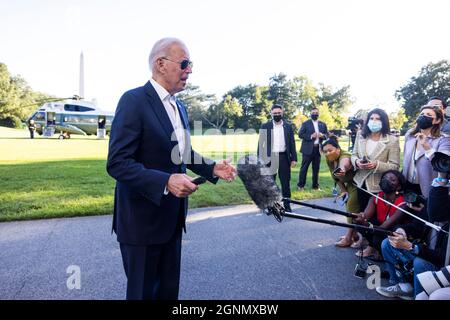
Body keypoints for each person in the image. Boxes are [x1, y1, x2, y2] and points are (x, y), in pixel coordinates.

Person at [106, 38, 236, 300]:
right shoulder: (133, 100)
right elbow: (117, 163)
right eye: (185, 63)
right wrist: (166, 181)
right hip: (141, 223)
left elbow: (183, 152)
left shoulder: (180, 106)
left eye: (191, 64)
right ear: (160, 64)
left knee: (167, 294)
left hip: (172, 221)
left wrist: (212, 169)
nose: (190, 70)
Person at [375, 168, 449, 300]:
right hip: (425, 252)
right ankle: (403, 286)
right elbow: (415, 227)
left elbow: (442, 258)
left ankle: (419, 296)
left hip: (440, 265)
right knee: (388, 242)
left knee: (420, 263)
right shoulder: (435, 201)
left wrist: (411, 247)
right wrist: (401, 231)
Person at [351, 108, 400, 211]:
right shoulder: (361, 135)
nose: (374, 121)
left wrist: (376, 165)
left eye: (378, 119)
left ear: (384, 122)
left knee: (375, 218)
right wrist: (356, 162)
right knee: (361, 214)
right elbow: (354, 154)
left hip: (379, 187)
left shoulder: (392, 140)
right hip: (360, 183)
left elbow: (395, 166)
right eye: (371, 118)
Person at [353, 170, 407, 259]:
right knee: (358, 223)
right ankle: (376, 248)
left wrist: (366, 224)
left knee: (377, 239)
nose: (387, 181)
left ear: (399, 186)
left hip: (393, 231)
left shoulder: (402, 203)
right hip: (381, 227)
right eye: (385, 178)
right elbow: (365, 216)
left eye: (392, 180)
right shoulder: (377, 197)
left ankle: (386, 254)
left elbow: (383, 228)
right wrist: (359, 218)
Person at [321, 135, 360, 247]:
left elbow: (345, 163)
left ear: (338, 149)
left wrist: (342, 169)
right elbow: (335, 177)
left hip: (358, 185)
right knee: (349, 209)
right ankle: (354, 234)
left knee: (351, 211)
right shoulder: (329, 159)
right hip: (348, 186)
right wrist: (343, 190)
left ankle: (348, 238)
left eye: (330, 150)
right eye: (325, 151)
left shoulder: (344, 155)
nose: (328, 153)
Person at [402, 105, 449, 197]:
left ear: (437, 120)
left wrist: (427, 147)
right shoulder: (410, 136)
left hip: (428, 189)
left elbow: (444, 166)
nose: (423, 116)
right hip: (407, 186)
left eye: (428, 115)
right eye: (422, 114)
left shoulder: (444, 140)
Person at [258, 104, 297, 212]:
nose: (277, 115)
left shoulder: (288, 126)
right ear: (271, 113)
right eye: (274, 113)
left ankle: (287, 205)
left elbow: (292, 143)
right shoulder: (265, 126)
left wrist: (294, 158)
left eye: (279, 113)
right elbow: (261, 144)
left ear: (282, 113)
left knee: (285, 183)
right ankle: (271, 206)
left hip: (284, 157)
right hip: (270, 158)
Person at [297, 107, 328, 191]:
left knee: (316, 169)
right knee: (304, 168)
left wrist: (323, 136)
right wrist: (311, 136)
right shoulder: (306, 123)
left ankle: (315, 186)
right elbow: (300, 134)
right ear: (310, 114)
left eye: (316, 113)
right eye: (313, 113)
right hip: (307, 150)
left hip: (318, 149)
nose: (315, 114)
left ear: (318, 114)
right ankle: (300, 186)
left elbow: (327, 135)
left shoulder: (322, 124)